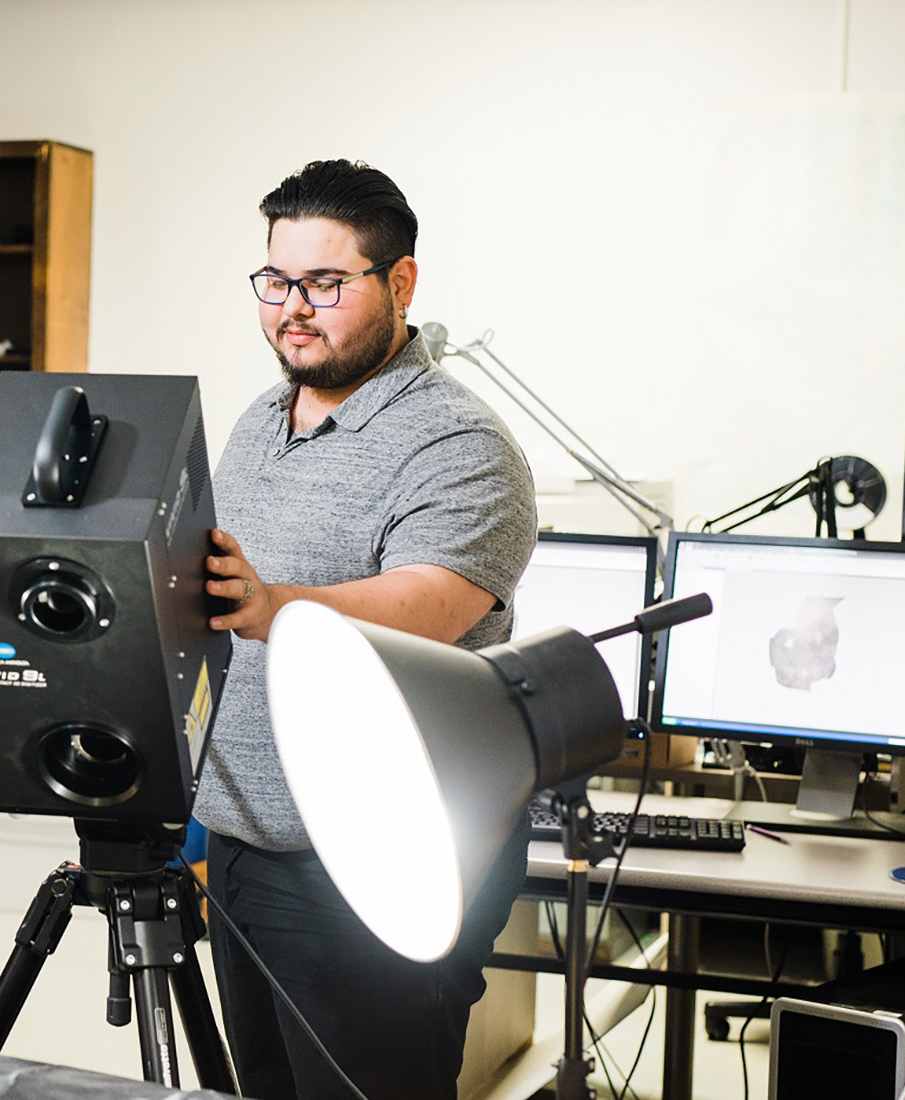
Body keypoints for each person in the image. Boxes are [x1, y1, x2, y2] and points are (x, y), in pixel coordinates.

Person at [195, 159, 538, 1100]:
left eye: (324, 284)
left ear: (401, 283)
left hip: (376, 862)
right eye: (276, 282)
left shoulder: (458, 442)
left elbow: (434, 603)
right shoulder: (259, 420)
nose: (291, 310)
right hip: (243, 842)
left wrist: (279, 609)